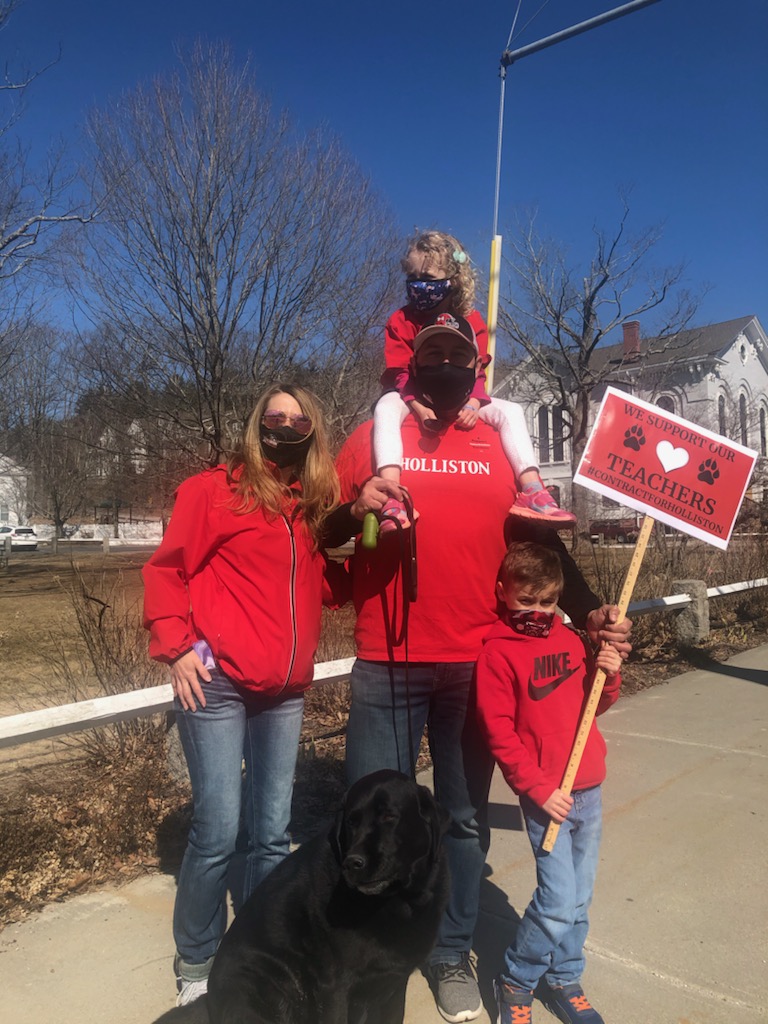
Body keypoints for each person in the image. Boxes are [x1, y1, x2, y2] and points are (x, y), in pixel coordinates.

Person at [336, 313, 631, 1024]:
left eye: (457, 355)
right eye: (432, 353)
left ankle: (449, 952)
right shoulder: (374, 434)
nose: (445, 364)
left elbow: (541, 549)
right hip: (390, 657)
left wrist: (588, 612)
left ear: (475, 366)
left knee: (462, 821)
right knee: (369, 812)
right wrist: (353, 513)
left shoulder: (500, 438)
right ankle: (366, 952)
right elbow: (327, 528)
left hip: (476, 662)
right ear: (412, 362)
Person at [142, 383, 395, 1007]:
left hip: (284, 691)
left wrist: (377, 544)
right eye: (273, 416)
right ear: (257, 424)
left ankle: (258, 946)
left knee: (271, 833)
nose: (283, 427)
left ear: (312, 434)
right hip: (218, 683)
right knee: (218, 830)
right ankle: (197, 958)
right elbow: (167, 568)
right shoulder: (211, 491)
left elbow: (325, 586)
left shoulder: (306, 508)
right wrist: (175, 645)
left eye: (297, 420)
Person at [475, 542, 621, 1024]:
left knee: (579, 900)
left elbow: (594, 705)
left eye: (548, 601)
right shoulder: (498, 653)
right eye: (526, 601)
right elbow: (499, 733)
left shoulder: (572, 639)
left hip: (589, 787)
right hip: (547, 798)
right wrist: (536, 789)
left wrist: (609, 676)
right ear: (503, 591)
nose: (538, 611)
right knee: (557, 902)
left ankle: (564, 977)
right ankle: (516, 980)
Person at [373, 230, 574, 531]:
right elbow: (400, 372)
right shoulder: (400, 320)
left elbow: (478, 370)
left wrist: (475, 403)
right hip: (411, 395)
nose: (418, 286)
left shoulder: (472, 321)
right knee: (386, 406)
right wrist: (418, 407)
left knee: (512, 410)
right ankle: (391, 494)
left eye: (427, 277)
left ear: (452, 279)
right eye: (412, 277)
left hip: (461, 397)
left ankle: (532, 489)